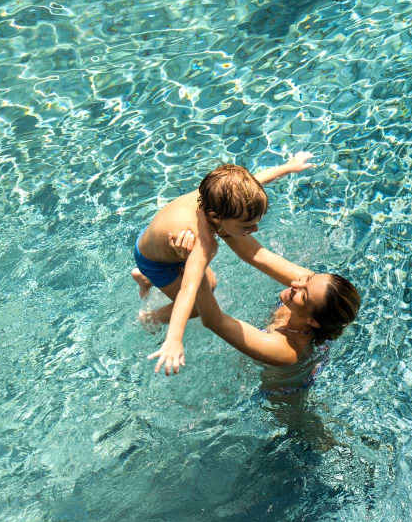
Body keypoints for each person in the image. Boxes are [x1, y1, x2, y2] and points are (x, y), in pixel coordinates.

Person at [132, 153, 315, 375]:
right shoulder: (203, 244)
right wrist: (174, 339)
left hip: (152, 239)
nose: (254, 231)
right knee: (199, 306)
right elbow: (189, 290)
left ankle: (144, 279)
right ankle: (151, 316)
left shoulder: (216, 194)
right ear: (216, 217)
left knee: (211, 281)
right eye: (247, 226)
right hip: (157, 262)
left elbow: (253, 182)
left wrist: (289, 167)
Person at [160, 229, 360, 382]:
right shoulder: (310, 289)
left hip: (283, 396)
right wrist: (219, 222)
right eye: (309, 277)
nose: (296, 283)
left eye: (304, 294)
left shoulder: (286, 350)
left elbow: (214, 321)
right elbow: (256, 254)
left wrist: (195, 261)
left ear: (312, 321)